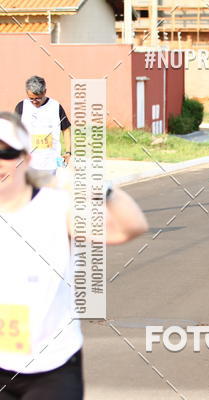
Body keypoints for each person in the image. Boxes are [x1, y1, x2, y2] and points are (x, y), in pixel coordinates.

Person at [0, 112, 148, 399]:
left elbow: (130, 227)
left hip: (52, 368)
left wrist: (100, 186)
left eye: (6, 152)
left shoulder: (56, 206)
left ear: (26, 159)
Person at [15, 76, 72, 175]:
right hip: (28, 164)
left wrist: (68, 152)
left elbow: (66, 129)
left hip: (50, 163)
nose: (34, 102)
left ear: (45, 91)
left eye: (38, 98)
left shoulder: (55, 106)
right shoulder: (21, 107)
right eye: (31, 98)